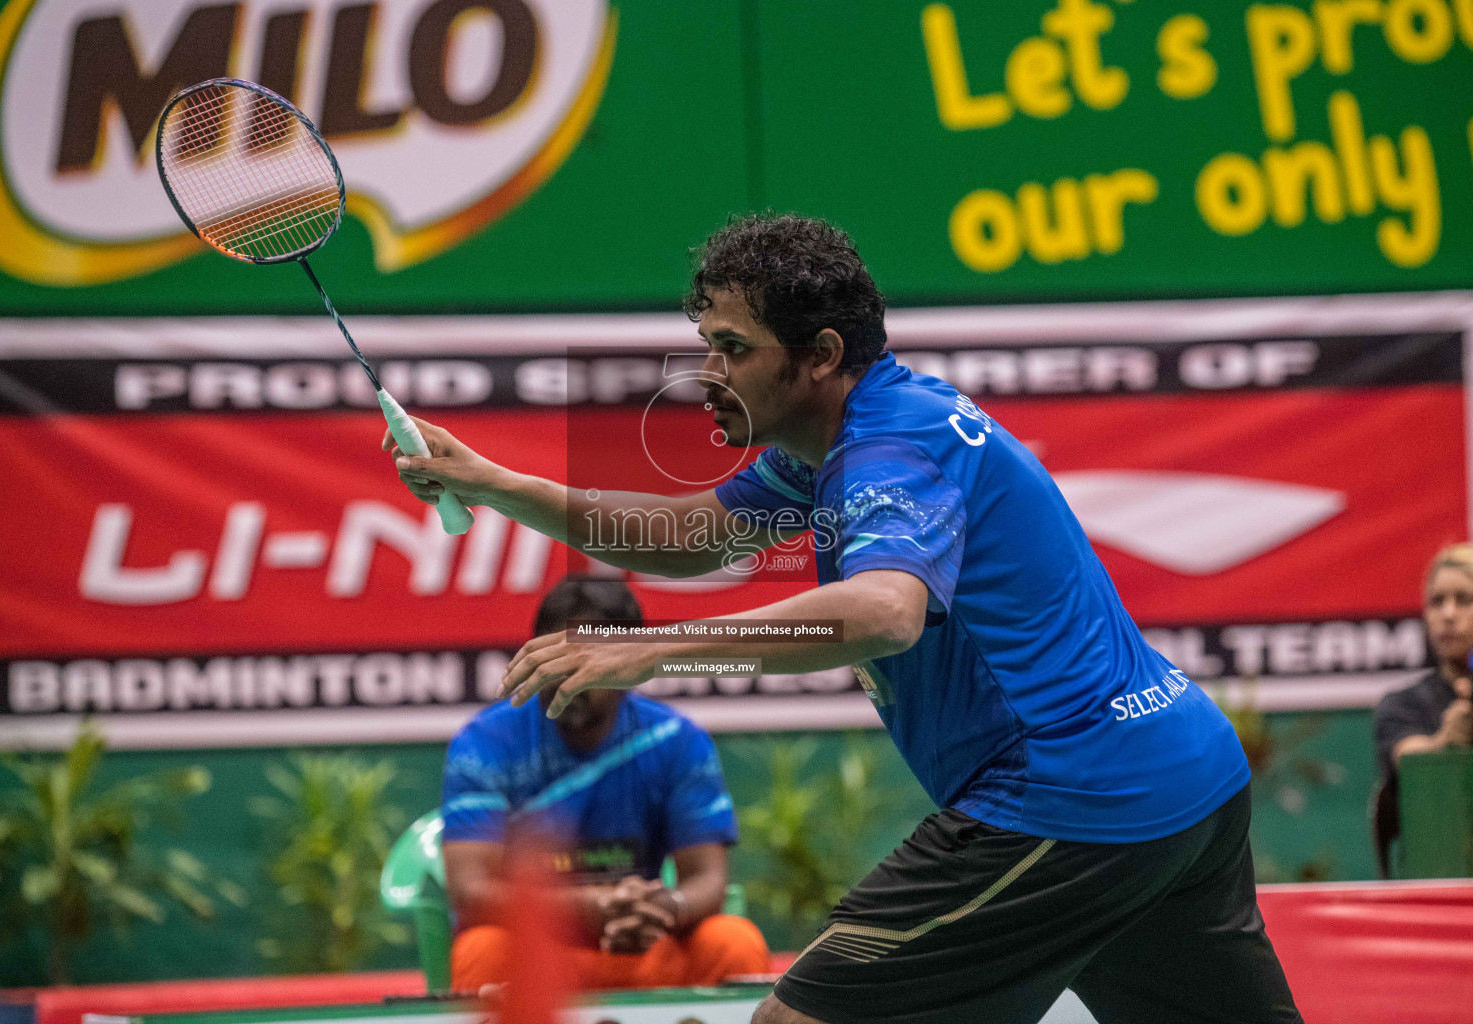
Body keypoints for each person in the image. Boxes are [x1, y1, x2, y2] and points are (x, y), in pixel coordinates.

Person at [391, 214, 1300, 1023]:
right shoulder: (836, 436)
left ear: (819, 355)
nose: (708, 374)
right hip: (1185, 775)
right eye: (706, 343)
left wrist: (655, 648)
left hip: (1066, 793)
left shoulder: (890, 448)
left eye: (733, 349)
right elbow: (696, 535)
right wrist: (499, 484)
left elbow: (883, 612)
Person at [438, 575, 769, 994]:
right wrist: (591, 907)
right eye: (552, 658)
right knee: (481, 950)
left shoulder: (675, 740)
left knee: (733, 942)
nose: (566, 676)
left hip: (642, 950)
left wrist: (659, 909)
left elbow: (706, 880)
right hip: (537, 960)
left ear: (631, 667)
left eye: (588, 659)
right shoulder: (484, 743)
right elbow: (470, 893)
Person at [1373, 544, 1473, 835]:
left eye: (1464, 599)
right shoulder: (1402, 705)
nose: (1449, 614)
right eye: (1437, 601)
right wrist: (1446, 742)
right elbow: (1407, 757)